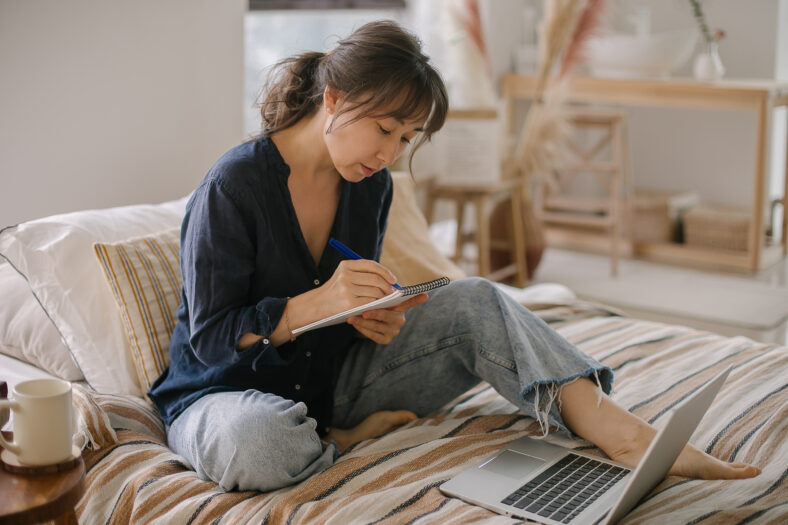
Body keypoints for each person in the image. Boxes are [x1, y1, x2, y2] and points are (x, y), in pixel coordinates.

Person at [148, 20, 760, 493]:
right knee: (259, 447)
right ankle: (332, 439)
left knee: (478, 300)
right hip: (223, 394)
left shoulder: (371, 185)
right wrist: (316, 304)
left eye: (406, 139)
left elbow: (341, 314)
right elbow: (210, 339)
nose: (390, 153)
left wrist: (370, 318)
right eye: (386, 129)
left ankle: (625, 434)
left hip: (326, 382)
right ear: (332, 100)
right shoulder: (234, 185)